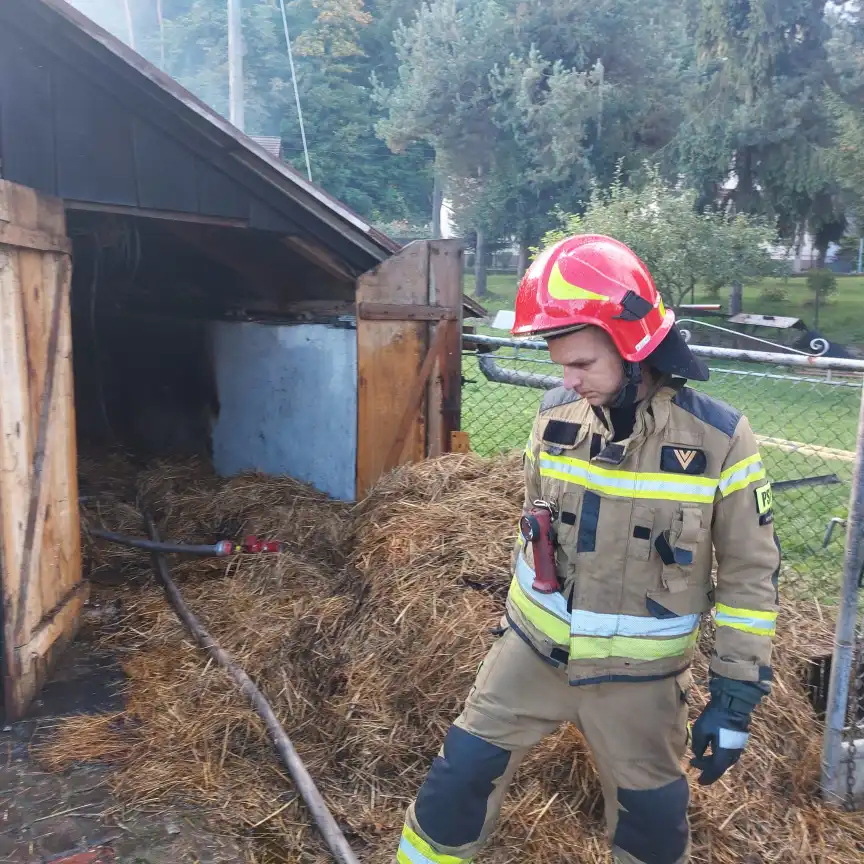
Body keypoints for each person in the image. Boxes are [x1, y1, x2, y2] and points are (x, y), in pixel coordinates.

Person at [394, 234, 781, 864]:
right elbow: (535, 521)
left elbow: (749, 576)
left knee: (651, 835)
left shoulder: (719, 440)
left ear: (634, 350)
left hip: (641, 685)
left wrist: (736, 696)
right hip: (530, 656)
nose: (566, 381)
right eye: (559, 364)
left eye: (581, 365)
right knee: (456, 784)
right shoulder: (555, 418)